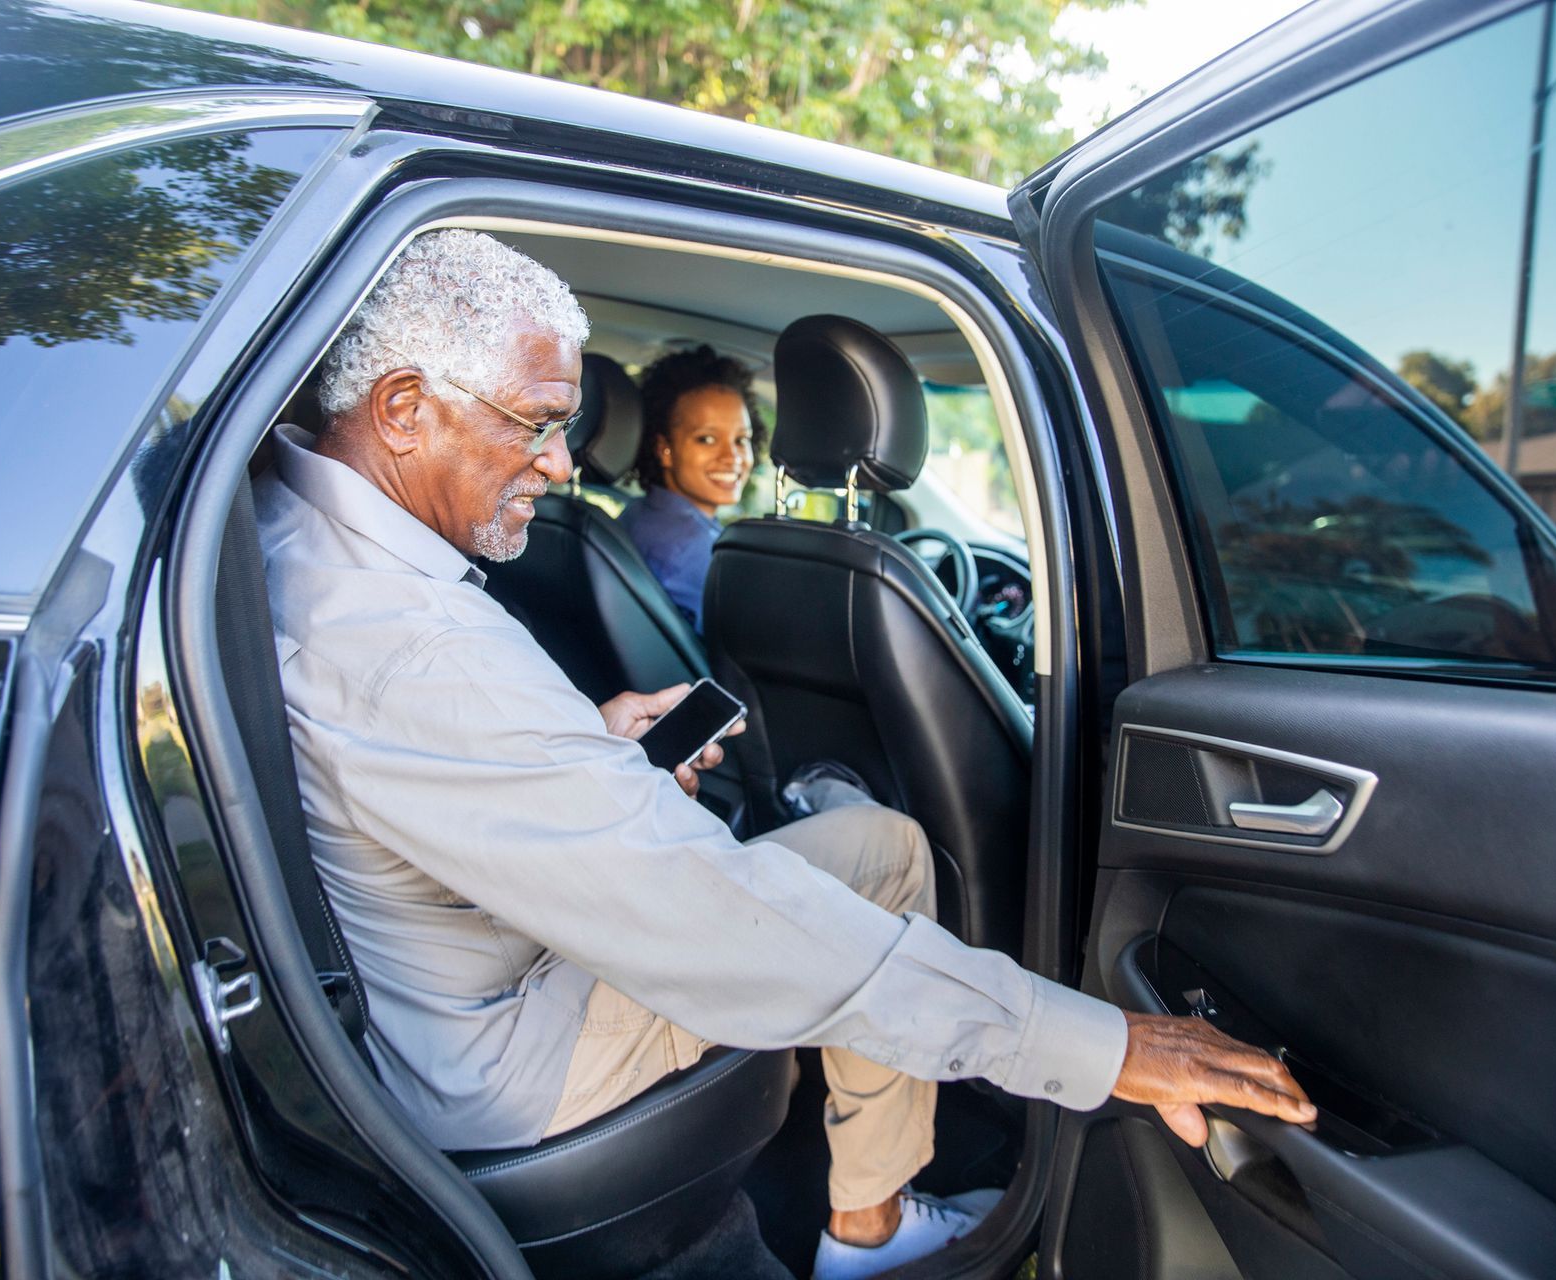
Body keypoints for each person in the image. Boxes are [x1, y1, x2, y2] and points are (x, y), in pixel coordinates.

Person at [254, 229, 1314, 1280]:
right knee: (886, 860)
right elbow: (722, 919)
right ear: (402, 410)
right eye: (537, 423)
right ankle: (871, 1224)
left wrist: (589, 748)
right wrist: (1097, 1045)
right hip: (508, 1056)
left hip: (433, 1000)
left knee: (860, 843)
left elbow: (439, 764)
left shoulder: (289, 535)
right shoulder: (419, 648)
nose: (563, 464)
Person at [618, 344, 764, 632]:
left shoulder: (639, 513)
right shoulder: (696, 551)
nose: (732, 457)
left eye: (741, 439)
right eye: (707, 439)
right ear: (664, 448)